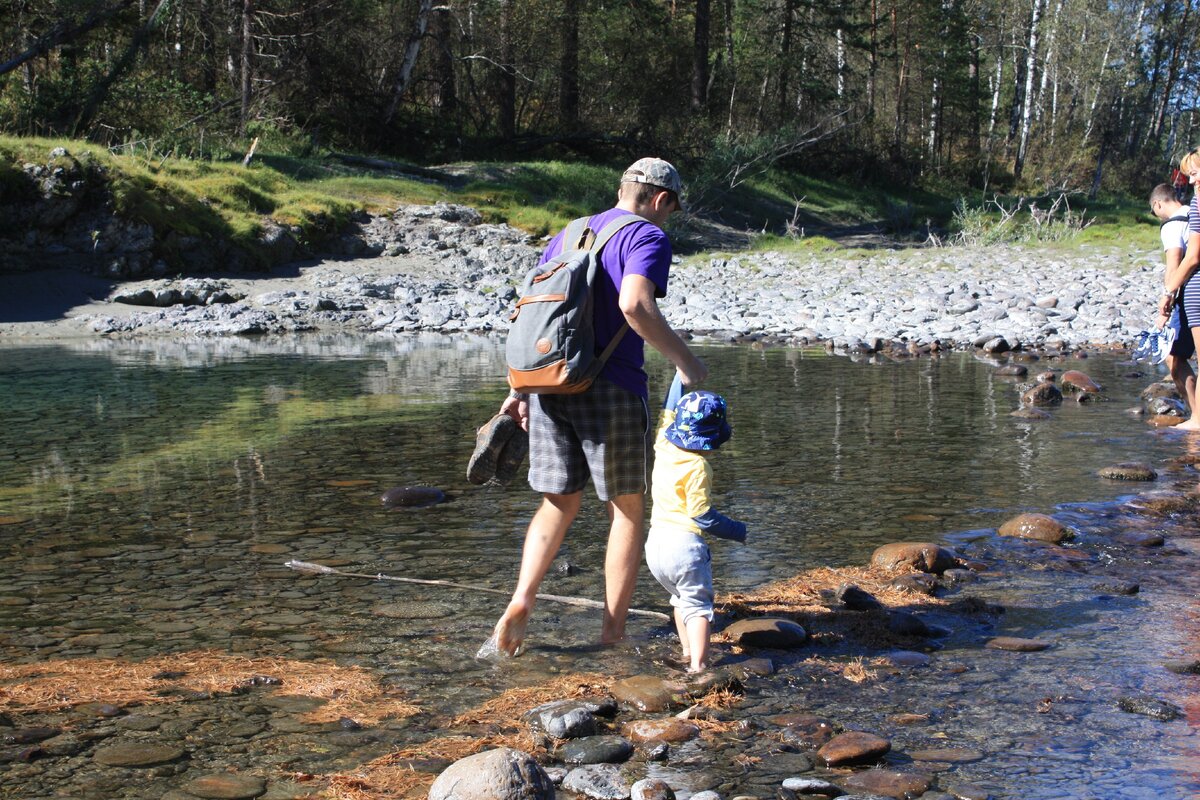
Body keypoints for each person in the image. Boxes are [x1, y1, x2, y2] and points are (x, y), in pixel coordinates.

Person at [491, 158, 708, 656]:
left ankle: (523, 597)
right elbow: (635, 305)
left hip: (548, 382)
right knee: (627, 511)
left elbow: (535, 318)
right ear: (659, 199)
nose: (668, 217)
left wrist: (518, 390)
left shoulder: (568, 234)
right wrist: (686, 362)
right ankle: (612, 634)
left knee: (558, 502)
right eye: (669, 208)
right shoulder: (647, 236)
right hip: (611, 386)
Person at [644, 373, 746, 673]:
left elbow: (668, 408)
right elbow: (702, 515)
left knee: (679, 598)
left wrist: (679, 376)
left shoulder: (663, 444)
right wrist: (737, 530)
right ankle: (700, 667)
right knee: (699, 607)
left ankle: (688, 652)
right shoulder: (698, 466)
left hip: (655, 546)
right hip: (683, 546)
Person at [1149, 183, 1195, 417]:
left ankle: (1196, 414)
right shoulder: (1194, 213)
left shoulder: (1172, 224)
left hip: (1190, 294)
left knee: (1173, 357)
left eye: (1154, 210)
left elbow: (1174, 263)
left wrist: (1166, 301)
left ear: (1158, 204)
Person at [1164, 151, 1200, 431]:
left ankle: (1198, 420)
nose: (1192, 181)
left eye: (1196, 173)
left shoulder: (1197, 204)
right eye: (1189, 175)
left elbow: (1191, 257)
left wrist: (1169, 291)